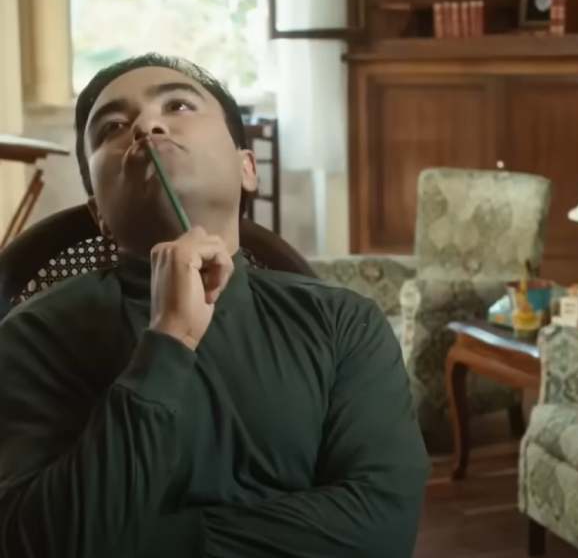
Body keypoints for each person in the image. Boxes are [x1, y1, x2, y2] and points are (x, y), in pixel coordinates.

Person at [0, 53, 429, 558]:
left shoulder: (343, 322)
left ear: (247, 168)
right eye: (112, 126)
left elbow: (381, 529)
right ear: (100, 215)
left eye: (178, 105)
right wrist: (167, 341)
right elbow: (38, 544)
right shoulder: (32, 335)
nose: (146, 126)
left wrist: (138, 544)